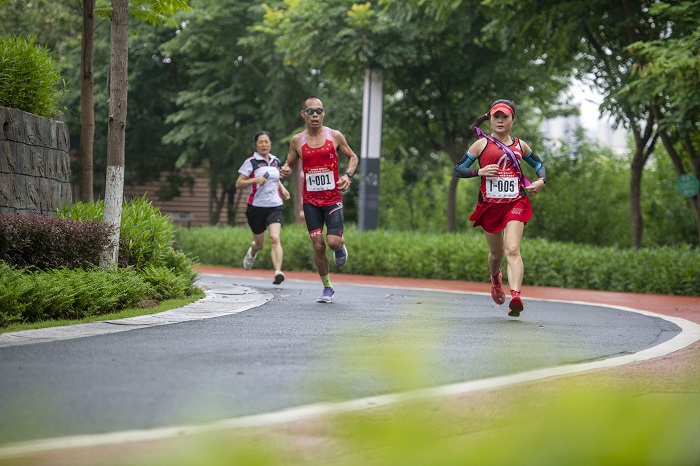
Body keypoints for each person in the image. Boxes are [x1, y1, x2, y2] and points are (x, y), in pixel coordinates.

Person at [454, 99, 547, 317]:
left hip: (516, 202)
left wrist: (540, 181)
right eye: (496, 116)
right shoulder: (481, 145)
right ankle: (495, 277)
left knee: (512, 248)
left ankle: (516, 296)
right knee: (496, 254)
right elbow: (459, 169)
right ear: (490, 119)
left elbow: (539, 165)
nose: (500, 121)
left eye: (505, 117)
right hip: (490, 206)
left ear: (512, 119)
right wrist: (479, 172)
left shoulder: (520, 145)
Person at [280, 96, 359, 303]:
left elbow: (353, 157)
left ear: (323, 114)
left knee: (332, 242)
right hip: (311, 200)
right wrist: (286, 169)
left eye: (319, 111)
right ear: (303, 115)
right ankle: (327, 288)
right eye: (310, 111)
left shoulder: (335, 136)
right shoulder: (298, 140)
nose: (315, 115)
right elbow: (289, 163)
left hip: (332, 198)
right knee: (317, 245)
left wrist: (348, 176)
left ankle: (340, 247)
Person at [236, 130, 291, 285]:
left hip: (275, 205)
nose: (264, 144)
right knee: (260, 243)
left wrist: (282, 188)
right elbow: (238, 183)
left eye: (266, 141)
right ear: (256, 145)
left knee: (274, 238)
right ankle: (253, 250)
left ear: (270, 144)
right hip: (256, 207)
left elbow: (275, 178)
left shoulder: (275, 161)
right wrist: (254, 180)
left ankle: (278, 272)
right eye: (261, 142)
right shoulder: (251, 162)